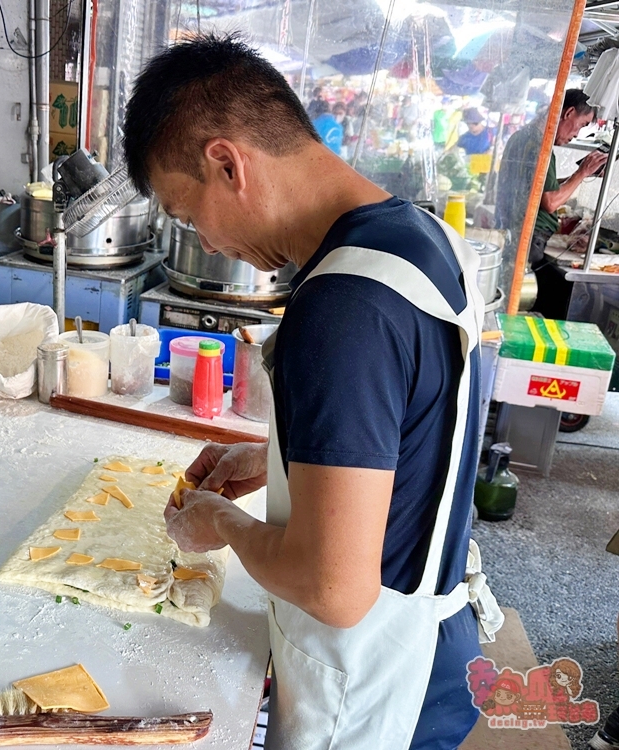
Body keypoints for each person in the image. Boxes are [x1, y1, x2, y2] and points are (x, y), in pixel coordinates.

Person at [123, 34, 502, 750]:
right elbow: (416, 425)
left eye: (185, 213)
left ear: (226, 162)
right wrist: (283, 457)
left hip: (370, 684)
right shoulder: (418, 235)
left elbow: (333, 588)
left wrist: (219, 525)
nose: (205, 242)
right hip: (437, 639)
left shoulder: (341, 308)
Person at [495, 89, 606, 265]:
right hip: (528, 236)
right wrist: (581, 172)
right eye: (582, 125)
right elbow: (550, 202)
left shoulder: (521, 137)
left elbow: (539, 187)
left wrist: (578, 176)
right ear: (569, 113)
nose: (577, 134)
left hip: (513, 231)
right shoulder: (541, 147)